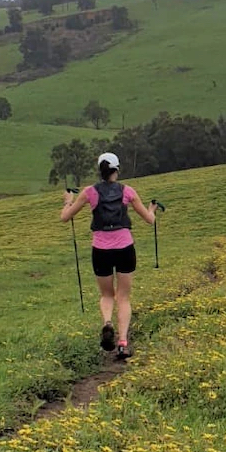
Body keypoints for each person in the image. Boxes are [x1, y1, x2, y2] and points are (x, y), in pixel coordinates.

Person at [60, 152, 158, 360]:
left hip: (101, 250)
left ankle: (107, 323)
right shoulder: (128, 191)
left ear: (100, 170)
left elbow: (65, 217)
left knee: (106, 295)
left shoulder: (90, 192)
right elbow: (149, 220)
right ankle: (122, 344)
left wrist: (67, 201)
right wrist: (152, 210)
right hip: (125, 248)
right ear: (117, 170)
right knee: (123, 297)